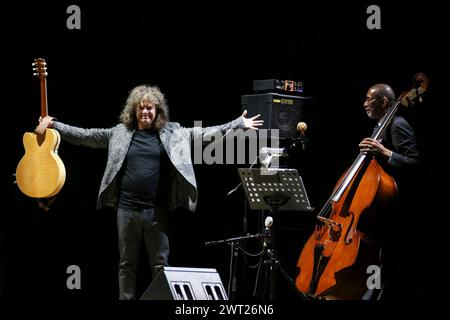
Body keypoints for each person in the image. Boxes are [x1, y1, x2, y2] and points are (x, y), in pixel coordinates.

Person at [39, 85, 263, 300]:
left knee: (161, 265)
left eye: (150, 108)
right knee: (126, 264)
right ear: (134, 110)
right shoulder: (119, 133)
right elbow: (84, 136)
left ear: (157, 111)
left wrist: (238, 123)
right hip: (126, 210)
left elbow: (206, 134)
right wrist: (55, 125)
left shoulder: (173, 133)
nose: (145, 111)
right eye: (141, 107)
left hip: (157, 212)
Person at [358, 83, 421, 300]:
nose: (365, 103)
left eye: (369, 99)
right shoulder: (380, 126)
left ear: (383, 102)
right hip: (377, 214)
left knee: (385, 270)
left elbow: (415, 164)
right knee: (374, 268)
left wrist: (385, 152)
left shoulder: (397, 124)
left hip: (393, 214)